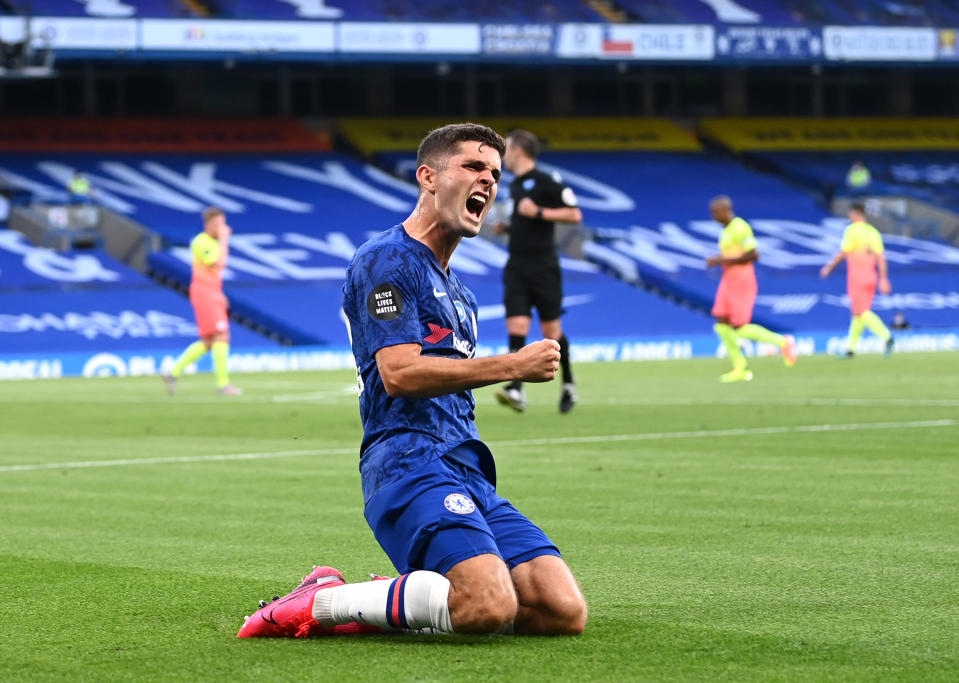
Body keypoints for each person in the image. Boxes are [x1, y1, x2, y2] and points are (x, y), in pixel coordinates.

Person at [236, 123, 587, 639]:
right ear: (428, 176)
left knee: (561, 611)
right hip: (407, 463)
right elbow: (399, 374)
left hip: (468, 471)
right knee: (486, 604)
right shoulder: (387, 258)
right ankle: (325, 599)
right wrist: (512, 366)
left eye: (494, 173)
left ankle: (404, 594)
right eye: (472, 167)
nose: (488, 182)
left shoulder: (460, 294)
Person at [492, 129, 583, 414]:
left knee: (551, 331)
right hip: (517, 265)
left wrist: (541, 213)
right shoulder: (516, 185)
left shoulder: (547, 180)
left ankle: (568, 383)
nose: (504, 154)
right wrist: (508, 227)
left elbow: (574, 214)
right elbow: (525, 219)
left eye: (507, 147)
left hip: (543, 266)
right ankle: (516, 388)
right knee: (516, 326)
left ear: (519, 150)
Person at [706, 195, 798, 382]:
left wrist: (721, 260)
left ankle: (783, 342)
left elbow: (753, 255)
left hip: (741, 280)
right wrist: (721, 260)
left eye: (715, 213)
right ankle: (740, 368)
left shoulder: (740, 227)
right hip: (728, 280)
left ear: (725, 211)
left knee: (739, 326)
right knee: (721, 323)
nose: (713, 217)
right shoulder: (726, 230)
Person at [161, 206, 242, 396]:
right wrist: (224, 239)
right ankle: (223, 385)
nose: (222, 227)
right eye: (219, 223)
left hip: (212, 290)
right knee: (221, 336)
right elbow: (217, 263)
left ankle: (173, 372)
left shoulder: (211, 242)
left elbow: (215, 273)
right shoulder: (201, 241)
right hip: (204, 291)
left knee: (207, 340)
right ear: (209, 223)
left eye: (223, 223)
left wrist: (220, 294)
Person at [820, 203, 894, 357]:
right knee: (857, 314)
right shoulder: (873, 232)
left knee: (862, 311)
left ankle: (887, 337)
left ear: (854, 214)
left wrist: (829, 267)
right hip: (871, 276)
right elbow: (881, 257)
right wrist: (883, 278)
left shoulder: (852, 230)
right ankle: (850, 349)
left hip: (857, 277)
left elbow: (843, 253)